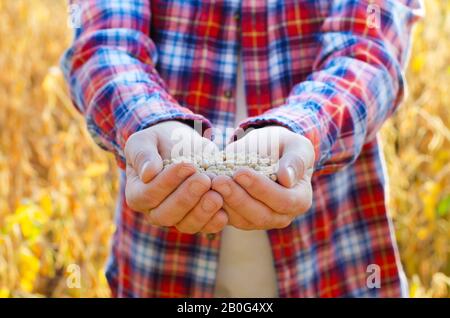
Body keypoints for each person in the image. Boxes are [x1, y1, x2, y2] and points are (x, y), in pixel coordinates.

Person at [62, 0, 422, 297]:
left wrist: (303, 130)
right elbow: (104, 45)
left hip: (332, 265)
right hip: (162, 271)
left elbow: (368, 51)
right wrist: (147, 121)